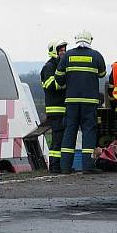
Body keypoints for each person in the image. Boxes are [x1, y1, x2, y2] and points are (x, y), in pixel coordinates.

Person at [55, 30, 106, 173]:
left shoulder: (68, 55)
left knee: (70, 131)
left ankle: (64, 167)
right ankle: (88, 166)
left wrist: (68, 82)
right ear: (90, 40)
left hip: (71, 101)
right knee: (88, 131)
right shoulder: (96, 55)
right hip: (90, 102)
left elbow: (58, 77)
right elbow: (102, 74)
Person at [40, 38, 68, 172]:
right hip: (56, 109)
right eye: (60, 50)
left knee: (62, 139)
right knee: (57, 139)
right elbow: (50, 85)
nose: (63, 52)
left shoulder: (62, 65)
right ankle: (54, 167)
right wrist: (66, 82)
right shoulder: (50, 66)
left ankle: (61, 165)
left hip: (63, 109)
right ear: (54, 51)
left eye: (64, 50)